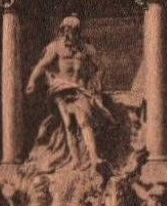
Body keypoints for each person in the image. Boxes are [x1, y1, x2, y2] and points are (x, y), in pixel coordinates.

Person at [25, 15, 109, 173]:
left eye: (71, 31)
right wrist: (32, 81)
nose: (67, 34)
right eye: (65, 31)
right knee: (69, 124)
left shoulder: (87, 49)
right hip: (62, 89)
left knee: (84, 120)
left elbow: (100, 68)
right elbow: (42, 65)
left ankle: (93, 157)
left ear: (78, 32)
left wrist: (96, 81)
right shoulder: (55, 47)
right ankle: (76, 160)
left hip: (80, 89)